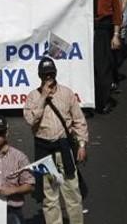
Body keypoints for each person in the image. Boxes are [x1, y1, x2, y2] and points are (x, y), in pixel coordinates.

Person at [23, 57, 86, 224]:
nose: (48, 78)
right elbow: (30, 120)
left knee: (72, 194)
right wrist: (43, 97)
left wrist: (81, 145)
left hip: (63, 148)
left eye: (51, 74)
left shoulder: (66, 93)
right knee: (49, 198)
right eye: (45, 75)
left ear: (55, 73)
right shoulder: (32, 97)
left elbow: (79, 120)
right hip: (44, 151)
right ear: (40, 76)